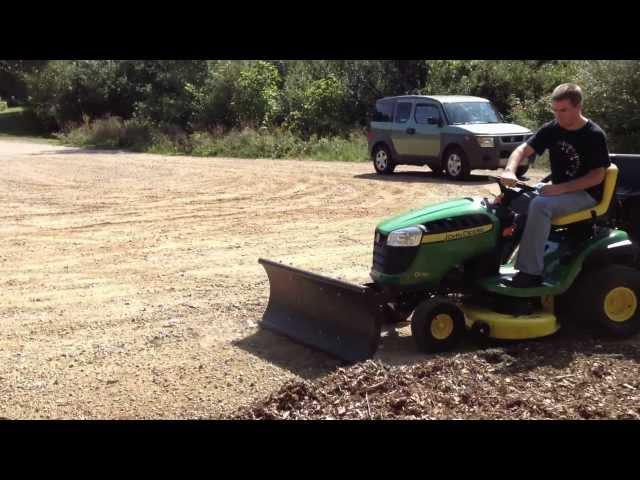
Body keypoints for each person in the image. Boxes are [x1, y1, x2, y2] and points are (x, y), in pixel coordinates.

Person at [499, 83, 610, 288]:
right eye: (555, 110)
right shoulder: (553, 129)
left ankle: (530, 274)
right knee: (510, 200)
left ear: (578, 107)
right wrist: (509, 169)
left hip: (585, 194)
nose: (558, 116)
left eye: (564, 110)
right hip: (558, 192)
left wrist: (560, 189)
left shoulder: (594, 135)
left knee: (541, 205)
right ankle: (494, 263)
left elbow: (597, 176)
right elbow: (522, 150)